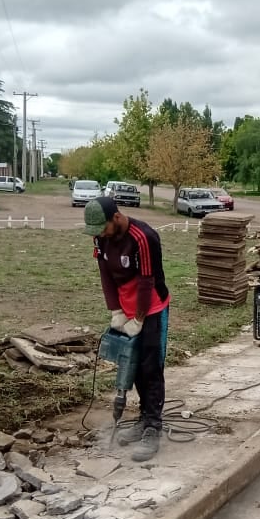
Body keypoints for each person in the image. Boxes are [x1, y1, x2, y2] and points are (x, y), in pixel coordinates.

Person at [83, 196, 171, 461]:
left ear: (117, 218)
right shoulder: (100, 238)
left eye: (104, 228)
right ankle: (143, 419)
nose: (101, 234)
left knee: (150, 366)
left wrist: (140, 319)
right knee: (131, 366)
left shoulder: (143, 237)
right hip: (126, 307)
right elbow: (105, 274)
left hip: (151, 307)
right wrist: (116, 311)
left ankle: (153, 427)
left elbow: (147, 281)